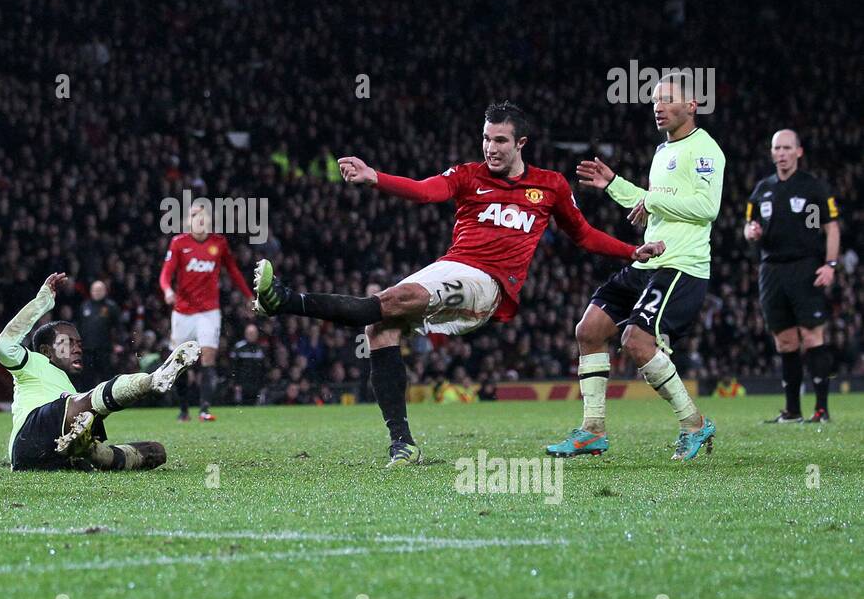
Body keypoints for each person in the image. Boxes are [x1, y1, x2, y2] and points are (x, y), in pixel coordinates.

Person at [253, 101, 663, 467]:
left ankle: (284, 300)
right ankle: (403, 445)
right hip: (449, 267)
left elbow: (584, 234)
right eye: (486, 139)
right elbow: (424, 192)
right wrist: (374, 176)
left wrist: (631, 251)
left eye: (500, 140)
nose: (491, 148)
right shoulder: (468, 175)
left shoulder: (550, 185)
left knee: (399, 298)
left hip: (488, 284)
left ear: (521, 143)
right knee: (379, 327)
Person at [548, 74, 725, 462]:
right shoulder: (663, 151)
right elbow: (649, 204)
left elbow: (706, 208)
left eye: (667, 100)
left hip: (681, 266)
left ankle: (694, 423)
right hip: (650, 259)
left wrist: (654, 200)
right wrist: (613, 183)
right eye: (654, 101)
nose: (657, 107)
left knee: (635, 340)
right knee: (589, 330)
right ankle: (593, 430)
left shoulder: (706, 150)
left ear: (692, 105)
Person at [0, 272, 198, 471]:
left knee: (156, 451)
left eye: (79, 343)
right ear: (46, 351)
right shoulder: (32, 362)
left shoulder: (66, 384)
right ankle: (152, 381)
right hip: (28, 439)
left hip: (54, 455)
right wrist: (42, 301)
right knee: (83, 402)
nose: (77, 348)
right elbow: (1, 346)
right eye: (68, 342)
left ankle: (94, 452)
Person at [744, 129, 841, 423]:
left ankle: (821, 410)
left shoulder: (814, 188)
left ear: (799, 152)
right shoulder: (762, 189)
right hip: (771, 270)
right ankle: (792, 411)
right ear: (772, 153)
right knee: (784, 341)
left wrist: (831, 264)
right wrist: (750, 232)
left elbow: (832, 227)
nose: (782, 153)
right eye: (777, 148)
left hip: (805, 267)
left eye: (787, 148)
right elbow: (749, 225)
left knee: (812, 335)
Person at [159, 203, 253, 422]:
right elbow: (166, 273)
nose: (199, 219)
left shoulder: (218, 243)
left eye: (203, 216)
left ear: (209, 220)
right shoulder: (179, 243)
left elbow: (233, 270)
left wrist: (248, 295)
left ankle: (204, 409)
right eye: (194, 215)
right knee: (180, 361)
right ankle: (184, 410)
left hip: (209, 311)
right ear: (187, 221)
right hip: (183, 311)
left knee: (208, 356)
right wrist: (167, 290)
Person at [77, 280, 120, 389]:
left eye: (99, 290)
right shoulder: (85, 306)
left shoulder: (111, 307)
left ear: (105, 291)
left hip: (104, 349)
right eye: (95, 290)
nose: (97, 292)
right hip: (87, 349)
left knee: (106, 376)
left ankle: (108, 400)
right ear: (91, 291)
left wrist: (118, 344)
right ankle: (86, 402)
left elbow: (118, 327)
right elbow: (79, 326)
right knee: (87, 377)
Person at [229, 324, 267, 405]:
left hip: (256, 384)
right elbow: (233, 367)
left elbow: (264, 368)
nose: (251, 335)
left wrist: (263, 385)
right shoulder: (239, 348)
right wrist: (236, 383)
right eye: (250, 333)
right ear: (245, 334)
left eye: (253, 333)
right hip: (242, 385)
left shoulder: (261, 348)